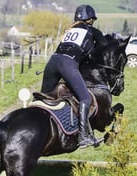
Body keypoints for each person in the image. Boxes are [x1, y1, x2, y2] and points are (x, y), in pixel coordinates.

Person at [41, 4, 107, 148]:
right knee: (85, 98)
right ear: (90, 19)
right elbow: (103, 46)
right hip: (67, 64)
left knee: (43, 95)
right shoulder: (92, 31)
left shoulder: (69, 30)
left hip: (52, 62)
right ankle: (83, 136)